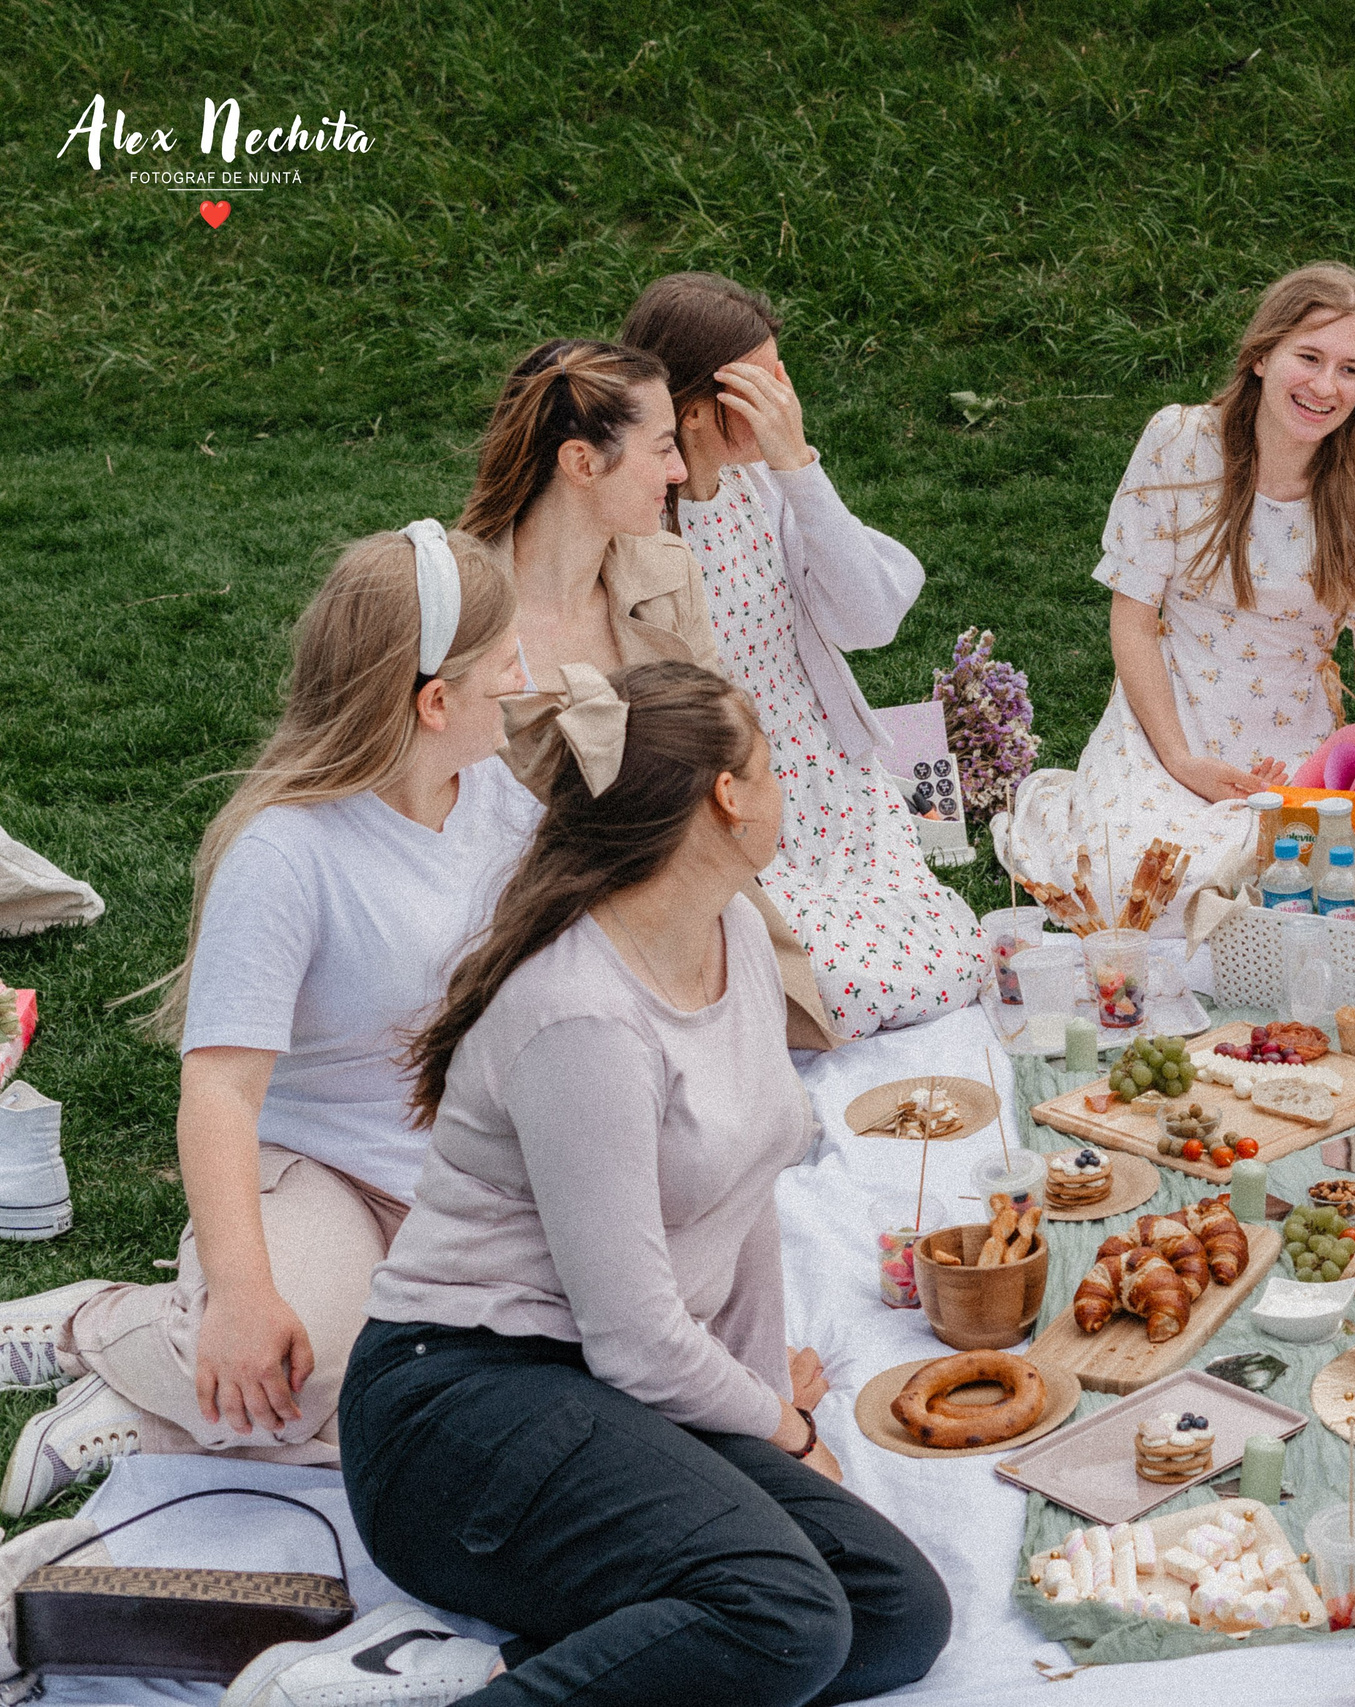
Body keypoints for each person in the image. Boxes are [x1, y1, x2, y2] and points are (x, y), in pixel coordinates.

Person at [228, 661, 950, 1707]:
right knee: (783, 1616)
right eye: (771, 766)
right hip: (459, 1412)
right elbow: (637, 1338)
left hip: (605, 1397)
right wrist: (782, 1427)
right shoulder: (580, 1015)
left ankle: (466, 1669)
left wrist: (765, 1442)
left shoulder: (735, 936)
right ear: (726, 797)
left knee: (892, 1617)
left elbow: (745, 1194)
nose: (784, 788)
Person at [0, 525, 535, 1515]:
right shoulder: (285, 854)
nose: (523, 673)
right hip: (316, 1167)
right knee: (306, 1369)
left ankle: (154, 1417)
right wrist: (245, 1297)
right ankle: (103, 1324)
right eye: (504, 656)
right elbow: (220, 1088)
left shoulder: (497, 796)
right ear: (433, 701)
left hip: (458, 1177)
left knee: (521, 1393)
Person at [619, 271, 985, 1038]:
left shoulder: (769, 485)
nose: (787, 397)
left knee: (956, 958)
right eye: (765, 382)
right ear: (692, 409)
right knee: (826, 981)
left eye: (782, 374)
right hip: (731, 802)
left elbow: (872, 617)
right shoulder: (640, 524)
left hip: (832, 784)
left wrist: (800, 470)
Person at [993, 263, 1355, 914]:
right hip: (1171, 705)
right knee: (1129, 883)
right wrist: (1178, 757)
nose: (1324, 386)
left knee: (1285, 883)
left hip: (1291, 721)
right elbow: (1133, 619)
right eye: (1307, 356)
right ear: (1260, 356)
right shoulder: (1178, 440)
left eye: (1349, 369)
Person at [455, 336, 842, 1049]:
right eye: (662, 447)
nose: (679, 469)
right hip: (518, 929)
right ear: (580, 462)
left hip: (679, 898)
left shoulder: (667, 569)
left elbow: (719, 749)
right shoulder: (461, 609)